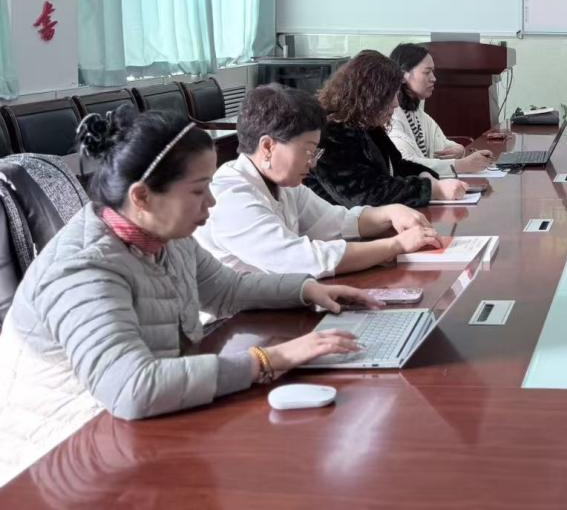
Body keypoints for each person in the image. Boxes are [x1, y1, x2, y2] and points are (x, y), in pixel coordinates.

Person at [0, 110, 379, 485]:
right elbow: (133, 389)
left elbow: (227, 289)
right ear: (142, 196)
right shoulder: (84, 270)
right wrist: (270, 359)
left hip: (132, 426)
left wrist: (306, 290)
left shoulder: (162, 233)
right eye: (198, 190)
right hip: (62, 460)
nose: (211, 202)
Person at [199, 84, 443, 277]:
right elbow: (302, 260)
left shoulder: (284, 185)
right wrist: (395, 246)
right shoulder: (231, 197)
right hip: (234, 321)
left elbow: (337, 222)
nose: (313, 163)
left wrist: (390, 213)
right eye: (307, 151)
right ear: (267, 147)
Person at [307, 50, 468, 209]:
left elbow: (397, 165)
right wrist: (432, 190)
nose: (396, 104)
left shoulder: (367, 125)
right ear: (370, 95)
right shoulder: (332, 132)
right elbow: (364, 193)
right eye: (391, 95)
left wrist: (424, 175)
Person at [386, 42, 495, 177]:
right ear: (402, 75)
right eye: (427, 72)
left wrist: (460, 150)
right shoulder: (391, 117)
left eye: (433, 72)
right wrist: (460, 165)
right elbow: (404, 164)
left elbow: (441, 145)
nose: (433, 78)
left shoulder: (417, 114)